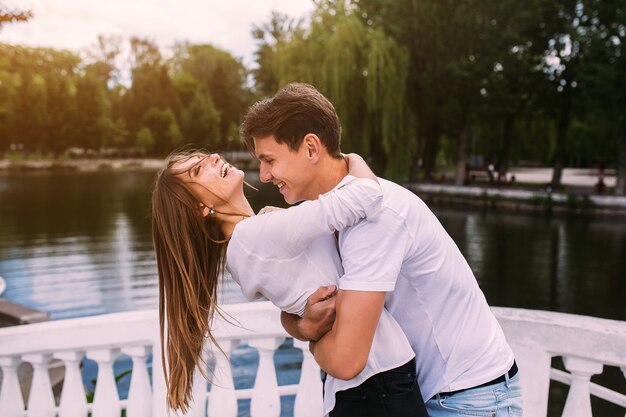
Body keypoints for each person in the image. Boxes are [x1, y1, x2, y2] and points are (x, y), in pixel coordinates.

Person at [240, 82, 523, 417]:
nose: (264, 175)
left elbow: (346, 358)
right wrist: (302, 326)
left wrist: (312, 341)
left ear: (312, 148)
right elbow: (305, 305)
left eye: (269, 159)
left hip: (468, 398)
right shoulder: (330, 213)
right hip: (436, 395)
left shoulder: (374, 219)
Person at [151, 149, 428, 417]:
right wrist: (350, 159)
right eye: (199, 170)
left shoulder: (245, 245)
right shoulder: (254, 237)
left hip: (363, 386)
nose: (212, 157)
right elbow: (364, 196)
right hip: (379, 382)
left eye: (202, 158)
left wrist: (301, 325)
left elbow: (296, 297)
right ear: (201, 207)